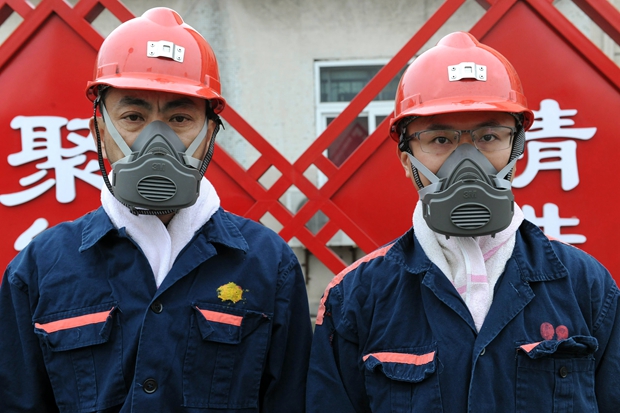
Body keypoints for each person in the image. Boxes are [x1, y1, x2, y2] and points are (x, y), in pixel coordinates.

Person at [0, 8, 312, 412]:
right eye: (133, 117)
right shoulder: (40, 269)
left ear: (210, 133)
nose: (157, 141)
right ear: (99, 132)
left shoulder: (268, 265)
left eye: (180, 118)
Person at [306, 31, 620, 412]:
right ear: (407, 160)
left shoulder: (587, 287)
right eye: (440, 139)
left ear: (517, 148)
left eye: (489, 136)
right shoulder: (355, 299)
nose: (467, 162)